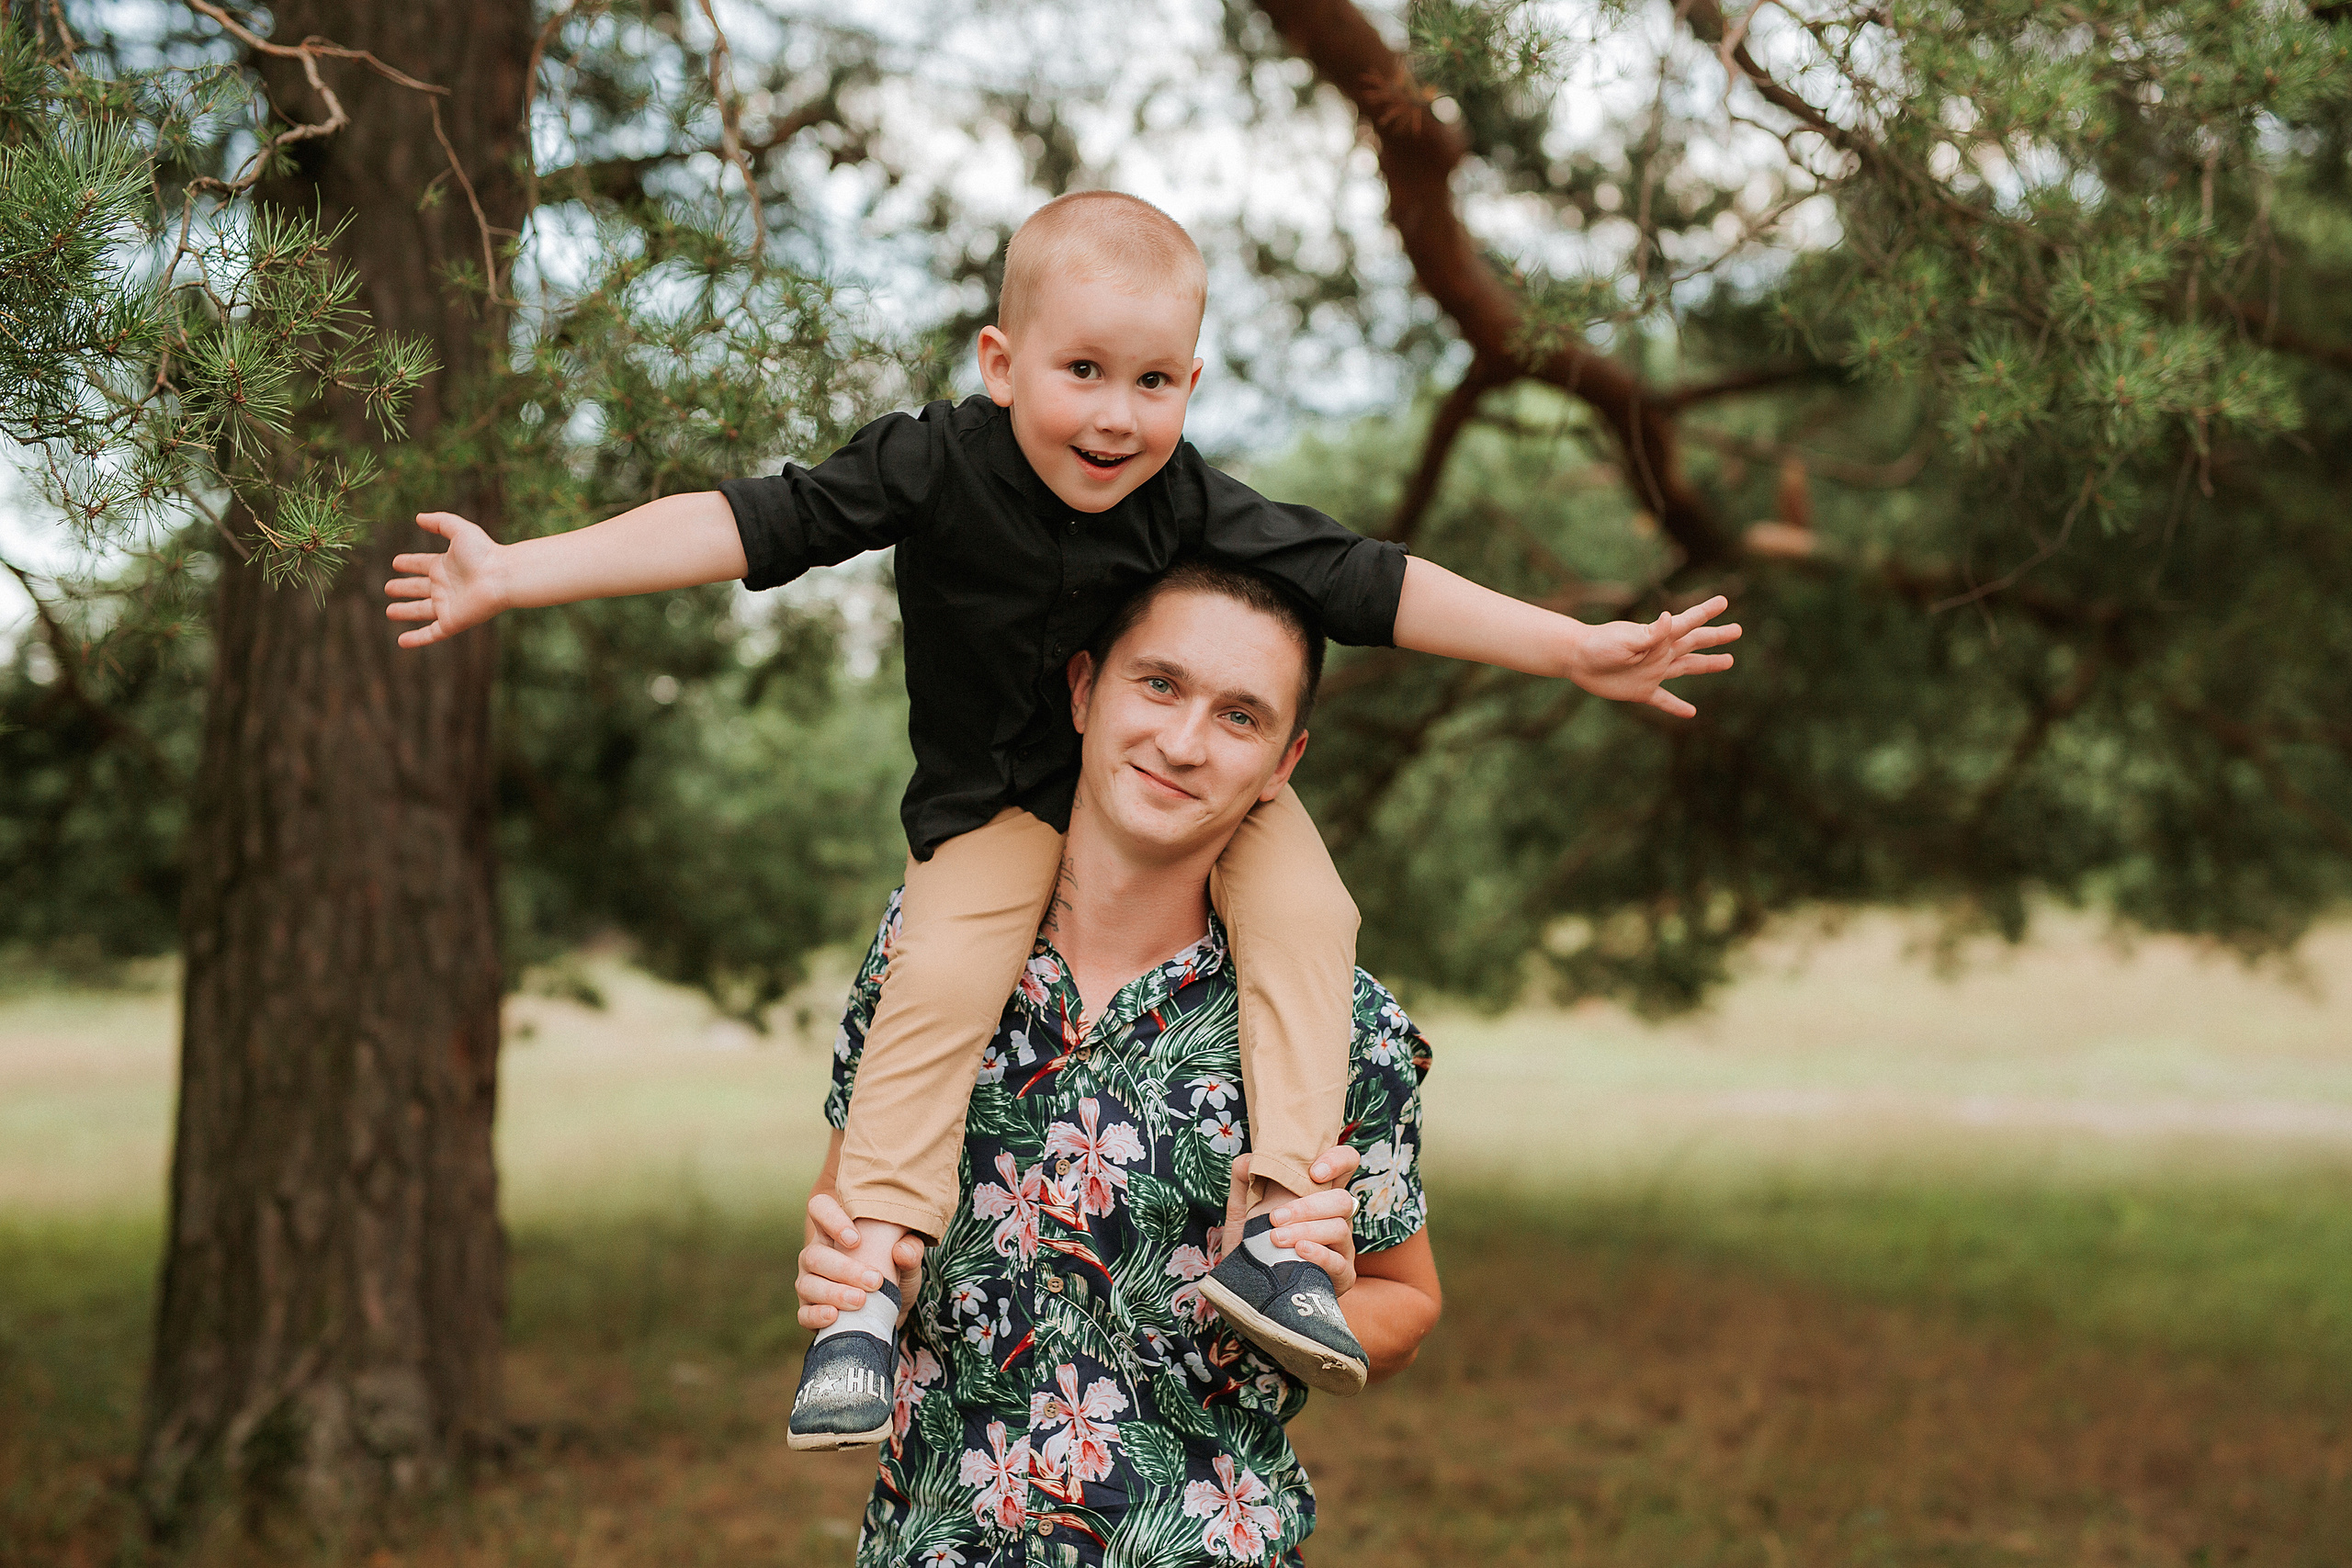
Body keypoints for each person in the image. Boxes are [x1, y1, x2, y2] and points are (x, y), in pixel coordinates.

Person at [382, 190, 1739, 1435]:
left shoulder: (1187, 499)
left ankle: (1279, 1230)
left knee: (1313, 904)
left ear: (1191, 388)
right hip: (1001, 807)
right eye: (1082, 370)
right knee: (948, 968)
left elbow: (1364, 578)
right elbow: (747, 524)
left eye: (1153, 383)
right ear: (1000, 362)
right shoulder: (930, 467)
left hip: (1177, 792)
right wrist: (519, 573)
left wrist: (1570, 647)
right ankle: (868, 1286)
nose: (1114, 416)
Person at [794, 563, 1442, 1566]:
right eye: (1160, 685)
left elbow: (1406, 1302)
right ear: (1085, 687)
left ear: (1283, 761)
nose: (1182, 743)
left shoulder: (1343, 1025)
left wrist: (1321, 1287)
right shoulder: (925, 953)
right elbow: (844, 1211)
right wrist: (837, 1273)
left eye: (1239, 716)